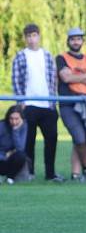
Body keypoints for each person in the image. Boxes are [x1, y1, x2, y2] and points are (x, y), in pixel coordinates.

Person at [11, 24, 62, 182]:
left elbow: (53, 79)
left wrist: (53, 102)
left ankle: (50, 173)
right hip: (29, 105)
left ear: (39, 36)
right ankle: (30, 173)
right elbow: (16, 81)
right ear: (25, 38)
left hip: (47, 105)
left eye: (34, 35)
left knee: (52, 138)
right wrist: (21, 103)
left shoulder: (47, 56)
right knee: (29, 141)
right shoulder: (20, 56)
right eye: (29, 36)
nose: (32, 39)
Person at [56, 27, 86, 182]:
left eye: (78, 39)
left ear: (82, 41)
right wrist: (85, 77)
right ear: (68, 41)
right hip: (68, 103)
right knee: (79, 138)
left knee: (83, 139)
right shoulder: (61, 58)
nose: (76, 41)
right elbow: (65, 78)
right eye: (73, 39)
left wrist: (75, 76)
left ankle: (76, 174)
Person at [0, 105, 28, 182]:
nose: (14, 122)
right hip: (2, 156)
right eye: (11, 119)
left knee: (21, 156)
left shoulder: (23, 126)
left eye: (16, 119)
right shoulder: (2, 125)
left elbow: (20, 148)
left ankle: (10, 178)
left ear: (21, 118)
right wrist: (3, 155)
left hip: (10, 157)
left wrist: (15, 130)